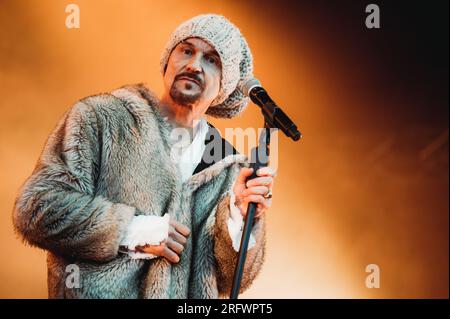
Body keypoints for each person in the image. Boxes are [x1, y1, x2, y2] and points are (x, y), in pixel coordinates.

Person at [13, 14, 276, 299]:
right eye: (186, 50)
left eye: (212, 60)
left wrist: (240, 214)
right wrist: (134, 231)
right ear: (168, 61)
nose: (193, 64)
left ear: (225, 84)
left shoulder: (228, 165)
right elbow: (36, 208)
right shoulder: (101, 119)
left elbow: (228, 281)